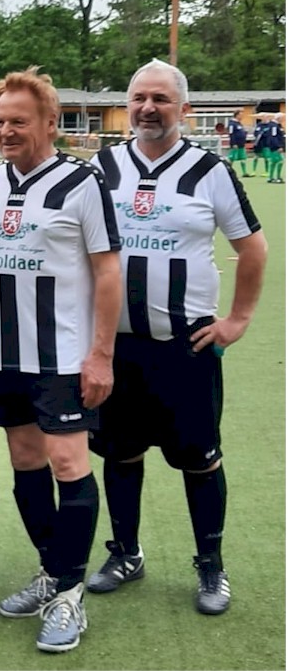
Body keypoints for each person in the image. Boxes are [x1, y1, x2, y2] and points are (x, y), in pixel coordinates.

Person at [86, 59, 267, 617]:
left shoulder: (209, 170)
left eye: (161, 99)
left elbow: (252, 249)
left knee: (199, 457)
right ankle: (126, 553)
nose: (147, 108)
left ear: (183, 109)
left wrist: (236, 320)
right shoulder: (101, 167)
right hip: (117, 345)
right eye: (139, 97)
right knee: (120, 453)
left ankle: (210, 564)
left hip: (184, 347)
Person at [0, 68, 122, 653]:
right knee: (26, 459)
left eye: (18, 122)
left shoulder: (82, 182)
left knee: (66, 463)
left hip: (64, 355)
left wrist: (101, 354)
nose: (5, 131)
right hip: (5, 354)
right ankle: (53, 571)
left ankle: (68, 595)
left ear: (50, 123)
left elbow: (107, 272)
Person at [226, 110, 251, 178]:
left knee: (243, 158)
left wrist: (245, 133)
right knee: (232, 158)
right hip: (235, 144)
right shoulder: (232, 124)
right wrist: (233, 143)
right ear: (237, 115)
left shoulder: (239, 123)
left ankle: (244, 172)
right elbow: (231, 134)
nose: (242, 116)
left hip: (241, 144)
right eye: (241, 115)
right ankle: (228, 171)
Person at [265, 112, 285, 183]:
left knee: (273, 162)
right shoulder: (274, 126)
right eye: (283, 118)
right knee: (280, 161)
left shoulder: (275, 125)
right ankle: (278, 178)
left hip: (273, 146)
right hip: (275, 147)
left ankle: (270, 177)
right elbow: (273, 137)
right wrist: (278, 146)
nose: (284, 119)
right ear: (278, 118)